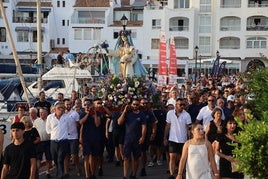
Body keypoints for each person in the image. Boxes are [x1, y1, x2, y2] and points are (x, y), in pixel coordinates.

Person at [118, 99, 147, 179]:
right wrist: (124, 111)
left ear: (139, 106)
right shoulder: (127, 114)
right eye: (134, 104)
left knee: (136, 158)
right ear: (131, 105)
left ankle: (134, 174)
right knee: (126, 158)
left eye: (137, 105)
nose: (135, 106)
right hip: (128, 140)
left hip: (137, 140)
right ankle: (125, 176)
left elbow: (144, 126)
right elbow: (119, 122)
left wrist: (143, 137)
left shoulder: (142, 115)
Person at [164, 98, 192, 179]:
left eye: (184, 105)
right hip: (172, 139)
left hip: (183, 140)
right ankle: (172, 175)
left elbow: (188, 128)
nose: (182, 106)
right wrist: (165, 138)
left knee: (181, 158)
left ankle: (180, 174)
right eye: (180, 105)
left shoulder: (187, 115)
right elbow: (167, 126)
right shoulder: (170, 113)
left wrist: (190, 140)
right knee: (172, 157)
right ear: (176, 105)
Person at [46, 102, 70, 179]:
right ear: (55, 109)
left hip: (63, 141)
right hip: (53, 141)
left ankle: (60, 176)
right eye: (59, 108)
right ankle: (59, 172)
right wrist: (52, 134)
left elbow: (70, 128)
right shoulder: (50, 117)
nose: (61, 109)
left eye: (62, 108)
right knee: (55, 159)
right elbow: (48, 128)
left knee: (60, 158)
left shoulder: (67, 117)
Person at [33, 107, 53, 178]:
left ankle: (48, 171)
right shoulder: (36, 121)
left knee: (48, 157)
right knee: (38, 158)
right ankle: (37, 172)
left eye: (42, 112)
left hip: (48, 142)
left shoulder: (50, 120)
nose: (41, 113)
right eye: (40, 112)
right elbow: (34, 131)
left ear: (47, 113)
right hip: (39, 142)